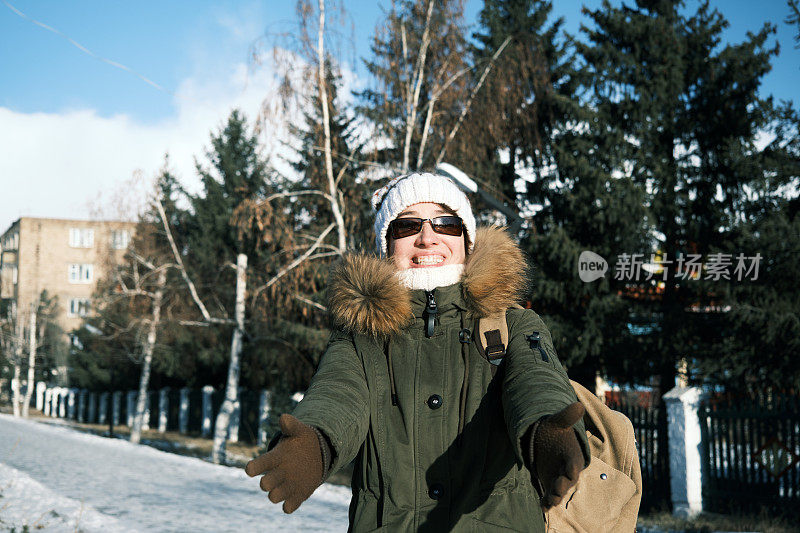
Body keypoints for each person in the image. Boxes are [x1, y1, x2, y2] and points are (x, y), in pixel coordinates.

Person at [246, 172, 590, 532]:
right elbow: (337, 393)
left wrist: (547, 433)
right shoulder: (360, 335)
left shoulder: (514, 325)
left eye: (446, 224)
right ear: (387, 243)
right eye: (407, 226)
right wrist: (314, 444)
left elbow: (536, 381)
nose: (428, 238)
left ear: (466, 239)